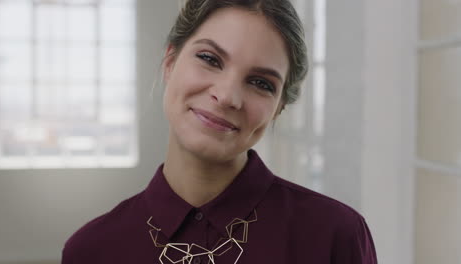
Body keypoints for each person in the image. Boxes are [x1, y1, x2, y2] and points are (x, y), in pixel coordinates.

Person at [62, 0, 377, 263]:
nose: (227, 96)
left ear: (279, 107)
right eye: (210, 59)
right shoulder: (91, 250)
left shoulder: (336, 236)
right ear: (170, 62)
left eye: (261, 83)